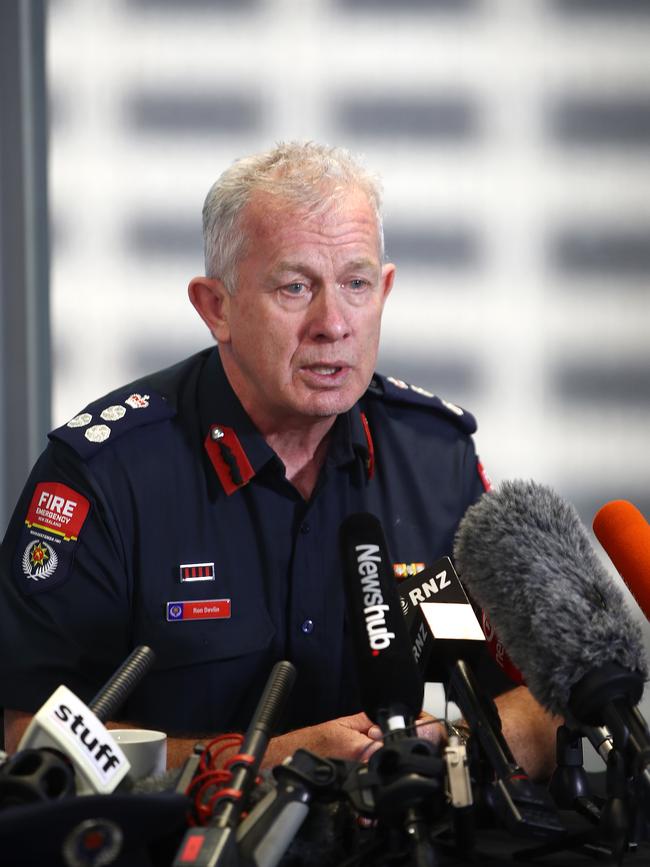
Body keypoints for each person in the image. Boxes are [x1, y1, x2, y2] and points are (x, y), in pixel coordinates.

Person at [0, 142, 559, 778]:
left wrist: (445, 751)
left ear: (386, 288)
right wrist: (267, 764)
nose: (333, 323)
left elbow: (553, 695)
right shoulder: (105, 475)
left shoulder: (436, 459)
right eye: (295, 287)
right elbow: (31, 734)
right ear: (217, 307)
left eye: (356, 284)